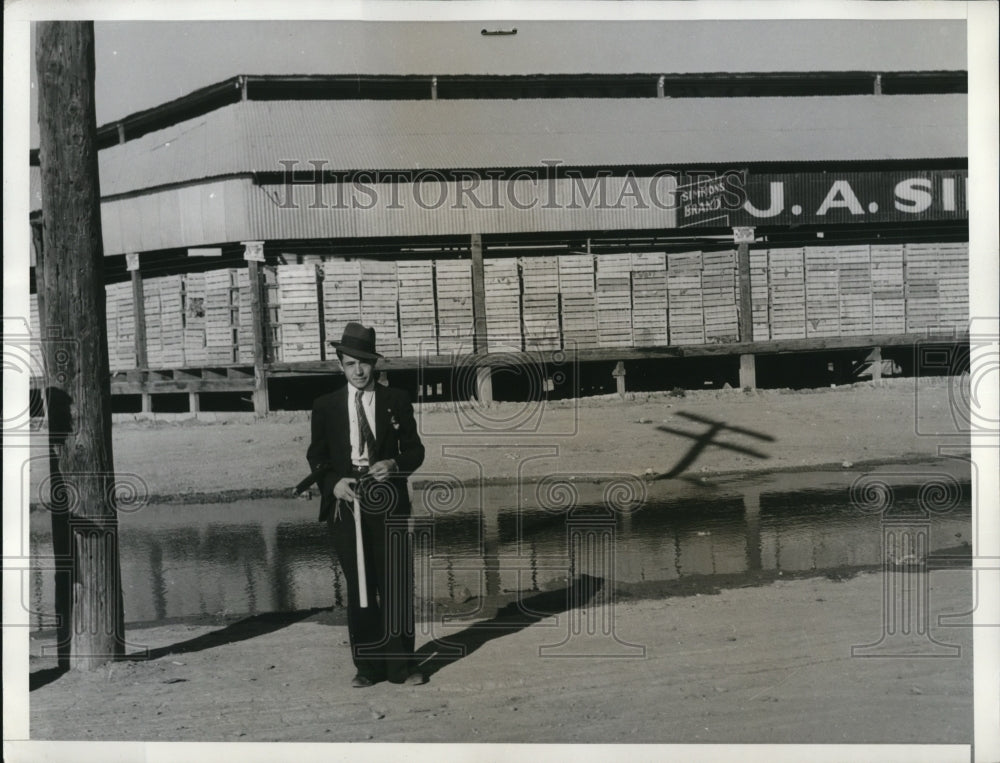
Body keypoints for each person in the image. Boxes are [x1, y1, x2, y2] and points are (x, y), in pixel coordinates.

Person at [307, 321, 427, 687]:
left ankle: (401, 667)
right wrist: (333, 484)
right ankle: (368, 668)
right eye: (350, 363)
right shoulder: (325, 406)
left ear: (375, 363)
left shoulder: (396, 400)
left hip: (388, 502)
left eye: (364, 362)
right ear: (339, 365)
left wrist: (394, 465)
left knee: (394, 584)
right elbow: (317, 457)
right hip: (348, 506)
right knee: (360, 587)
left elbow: (416, 451)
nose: (358, 371)